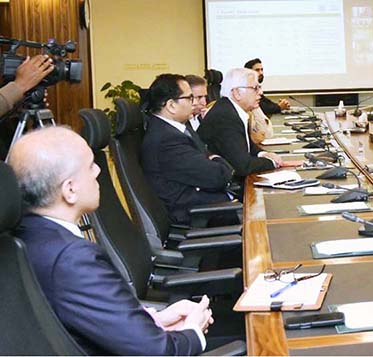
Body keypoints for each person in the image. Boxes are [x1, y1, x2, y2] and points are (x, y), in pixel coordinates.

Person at [9, 127, 213, 355]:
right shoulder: (72, 258)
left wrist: (154, 321)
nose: (98, 171)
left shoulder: (24, 237)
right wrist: (194, 330)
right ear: (70, 190)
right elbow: (157, 352)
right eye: (90, 166)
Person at [140, 74, 236, 226]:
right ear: (171, 105)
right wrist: (217, 160)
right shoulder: (166, 140)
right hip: (198, 218)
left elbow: (207, 156)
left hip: (207, 205)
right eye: (190, 98)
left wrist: (213, 159)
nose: (195, 103)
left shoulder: (177, 128)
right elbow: (217, 176)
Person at [198, 68, 283, 184]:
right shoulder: (225, 117)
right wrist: (272, 162)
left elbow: (246, 144)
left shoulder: (230, 109)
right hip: (225, 186)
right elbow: (243, 166)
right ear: (237, 93)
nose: (261, 93)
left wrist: (263, 153)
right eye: (255, 88)